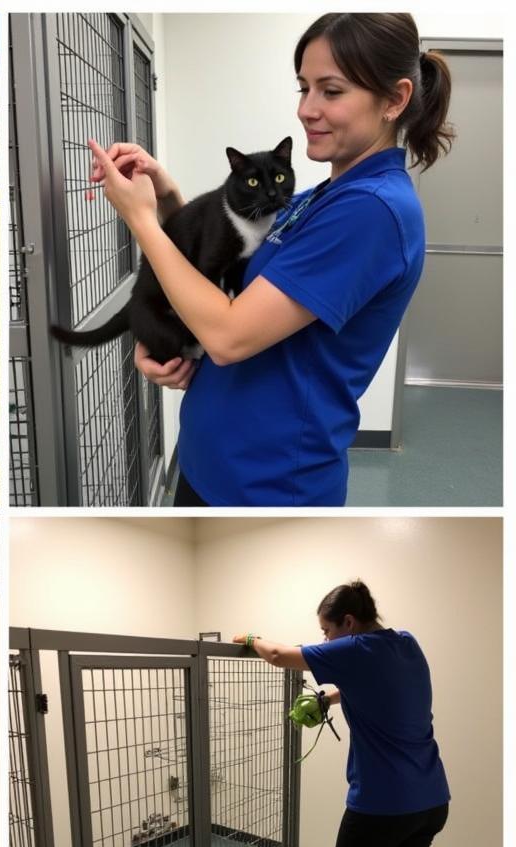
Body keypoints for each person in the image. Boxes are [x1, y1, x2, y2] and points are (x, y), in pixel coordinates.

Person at [86, 14, 453, 506]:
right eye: (304, 89)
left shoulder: (371, 212)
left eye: (332, 91)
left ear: (395, 99)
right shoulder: (317, 198)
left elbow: (228, 336)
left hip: (265, 483)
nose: (307, 109)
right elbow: (227, 259)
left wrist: (142, 221)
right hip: (213, 459)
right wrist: (167, 195)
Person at [233, 580, 450, 847]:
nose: (324, 641)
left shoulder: (354, 650)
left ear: (348, 623)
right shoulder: (405, 643)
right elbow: (379, 688)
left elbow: (280, 656)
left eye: (327, 632)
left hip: (380, 807)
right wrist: (332, 697)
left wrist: (251, 638)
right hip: (431, 799)